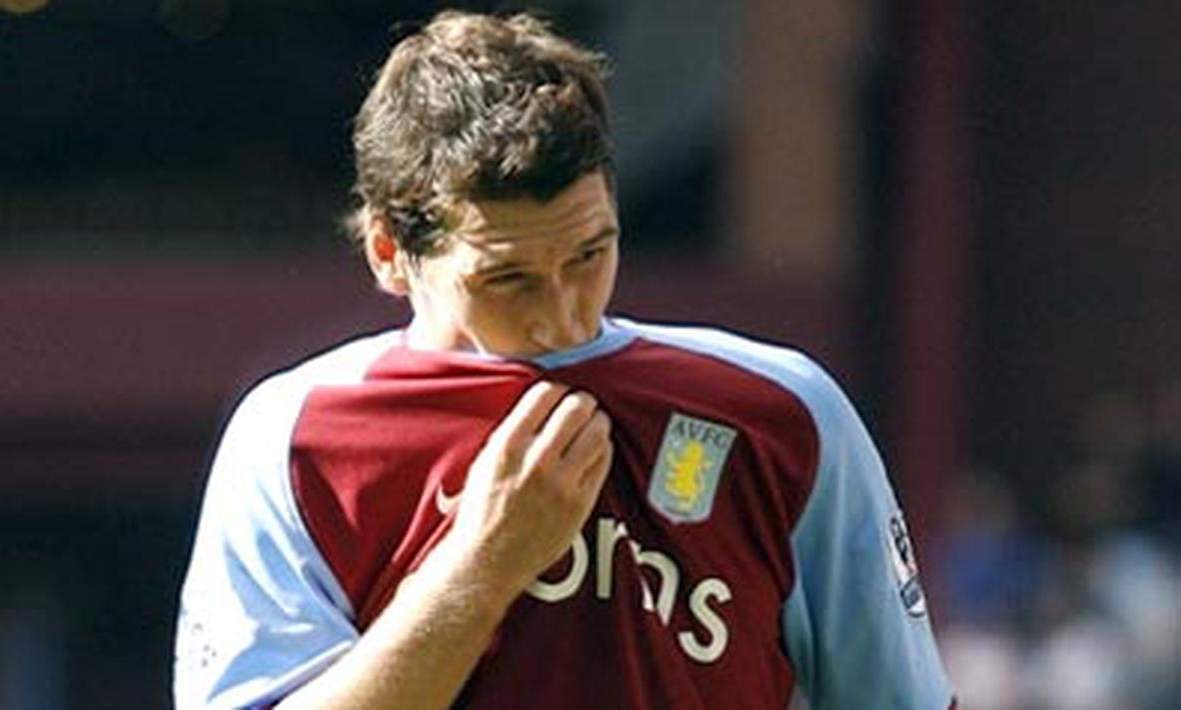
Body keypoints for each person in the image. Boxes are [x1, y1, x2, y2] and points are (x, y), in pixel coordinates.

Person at [174, 10, 956, 709]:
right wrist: (481, 566)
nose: (561, 313)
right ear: (388, 251)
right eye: (506, 278)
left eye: (590, 254)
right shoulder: (299, 438)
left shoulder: (780, 414)